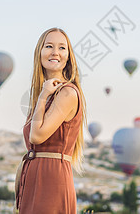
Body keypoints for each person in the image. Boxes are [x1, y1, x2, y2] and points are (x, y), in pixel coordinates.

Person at [15, 27, 87, 214]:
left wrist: (43, 96)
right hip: (33, 176)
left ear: (69, 57)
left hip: (52, 179)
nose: (55, 52)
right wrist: (43, 95)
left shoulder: (67, 93)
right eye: (49, 46)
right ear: (39, 52)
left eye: (62, 48)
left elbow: (37, 136)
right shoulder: (43, 95)